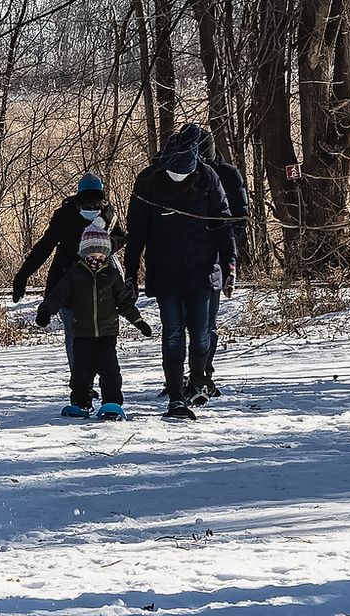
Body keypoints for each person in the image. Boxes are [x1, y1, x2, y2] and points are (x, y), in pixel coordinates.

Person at [123, 126, 235, 418]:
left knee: (201, 334)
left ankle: (198, 380)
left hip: (203, 272)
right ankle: (175, 395)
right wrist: (131, 273)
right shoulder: (149, 182)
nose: (178, 177)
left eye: (184, 173)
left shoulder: (209, 179)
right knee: (173, 334)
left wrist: (230, 263)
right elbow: (137, 232)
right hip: (166, 273)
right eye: (174, 172)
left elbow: (222, 223)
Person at [35, 221, 152, 419]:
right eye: (91, 255)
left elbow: (124, 302)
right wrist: (46, 311)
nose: (95, 259)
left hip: (107, 333)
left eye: (100, 256)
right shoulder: (74, 275)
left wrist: (139, 322)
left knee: (110, 371)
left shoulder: (112, 275)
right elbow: (58, 295)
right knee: (81, 372)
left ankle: (112, 403)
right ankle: (81, 402)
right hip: (82, 333)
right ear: (84, 254)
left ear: (106, 255)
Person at [11, 172, 127, 372]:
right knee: (74, 337)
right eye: (87, 205)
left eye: (97, 205)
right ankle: (81, 383)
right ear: (77, 201)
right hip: (68, 281)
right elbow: (44, 247)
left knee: (101, 338)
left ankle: (100, 378)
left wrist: (108, 244)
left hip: (99, 286)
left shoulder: (109, 215)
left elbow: (122, 237)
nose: (92, 209)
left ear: (103, 201)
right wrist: (22, 276)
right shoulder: (64, 216)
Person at [189, 124, 248, 400]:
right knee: (186, 322)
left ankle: (204, 372)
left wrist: (224, 244)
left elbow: (240, 216)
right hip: (186, 255)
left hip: (215, 256)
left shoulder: (227, 175)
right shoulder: (181, 174)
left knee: (207, 321)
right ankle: (183, 376)